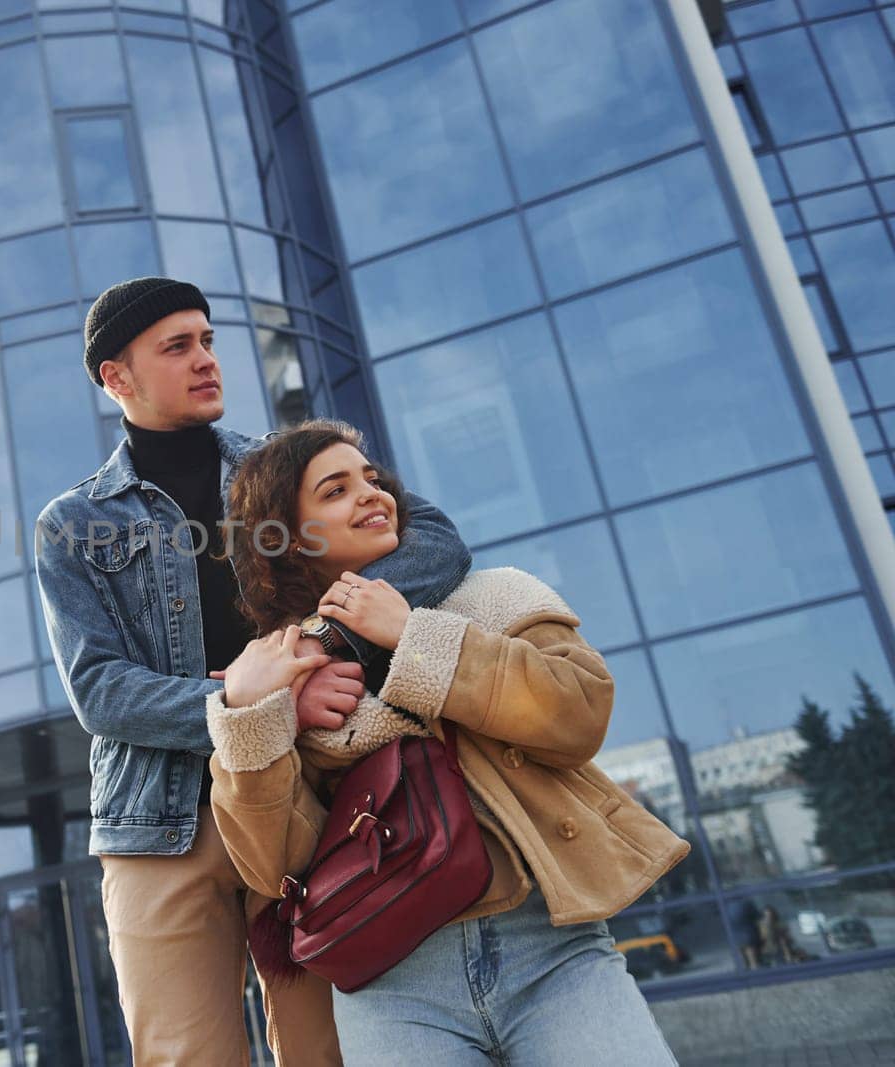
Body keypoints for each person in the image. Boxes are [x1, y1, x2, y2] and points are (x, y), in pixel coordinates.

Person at [34, 278, 472, 1065]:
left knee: (330, 1051)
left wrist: (317, 647)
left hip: (299, 802)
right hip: (158, 829)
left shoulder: (279, 468)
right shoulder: (75, 522)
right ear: (116, 377)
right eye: (178, 346)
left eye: (207, 339)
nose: (206, 359)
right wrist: (243, 698)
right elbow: (100, 691)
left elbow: (434, 539)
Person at [205, 419, 691, 1065]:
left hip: (552, 946)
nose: (371, 493)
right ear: (292, 539)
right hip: (392, 983)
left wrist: (414, 635)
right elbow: (276, 864)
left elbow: (578, 714)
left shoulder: (495, 593)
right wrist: (252, 718)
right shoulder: (283, 670)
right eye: (336, 488)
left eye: (372, 478)